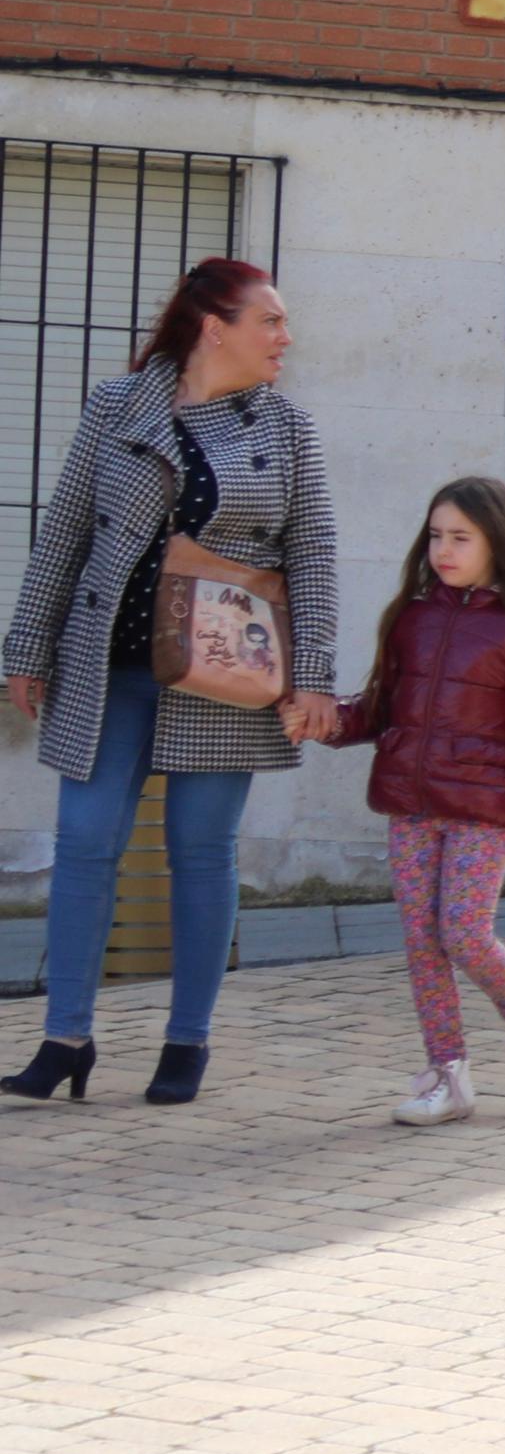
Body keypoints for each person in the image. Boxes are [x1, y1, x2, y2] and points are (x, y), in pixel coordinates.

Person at [4, 256, 339, 1108]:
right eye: (270, 321)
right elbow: (67, 527)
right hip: (107, 660)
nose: (285, 337)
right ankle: (65, 1037)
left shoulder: (288, 429)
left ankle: (186, 1042)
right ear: (214, 327)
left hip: (222, 673)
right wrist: (26, 646)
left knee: (199, 849)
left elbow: (313, 556)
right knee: (83, 841)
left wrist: (316, 678)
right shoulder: (119, 405)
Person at [327, 478, 505, 1123]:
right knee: (422, 942)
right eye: (437, 535)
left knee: (463, 934)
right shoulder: (412, 616)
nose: (444, 549)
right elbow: (380, 707)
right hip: (411, 804)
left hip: (483, 809)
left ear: (497, 541)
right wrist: (326, 721)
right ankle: (448, 1076)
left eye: (461, 537)